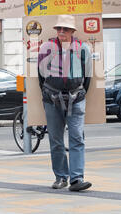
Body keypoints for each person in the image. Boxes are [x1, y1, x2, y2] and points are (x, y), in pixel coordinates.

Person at [38, 14, 92, 191]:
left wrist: (79, 93)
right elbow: (41, 75)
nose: (62, 31)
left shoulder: (82, 49)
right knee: (56, 139)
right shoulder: (47, 48)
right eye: (59, 28)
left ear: (72, 31)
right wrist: (48, 93)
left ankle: (76, 179)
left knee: (77, 137)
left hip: (76, 99)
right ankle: (61, 177)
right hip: (52, 99)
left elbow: (88, 77)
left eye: (66, 29)